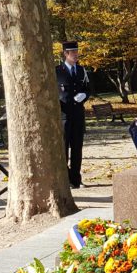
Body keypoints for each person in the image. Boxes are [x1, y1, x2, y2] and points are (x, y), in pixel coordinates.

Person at [56, 41, 90, 188]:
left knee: (77, 148)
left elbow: (89, 88)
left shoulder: (82, 70)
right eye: (72, 52)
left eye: (77, 52)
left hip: (78, 115)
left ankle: (76, 179)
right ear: (66, 54)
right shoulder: (57, 71)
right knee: (64, 149)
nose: (76, 55)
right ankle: (66, 179)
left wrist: (84, 95)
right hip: (64, 116)